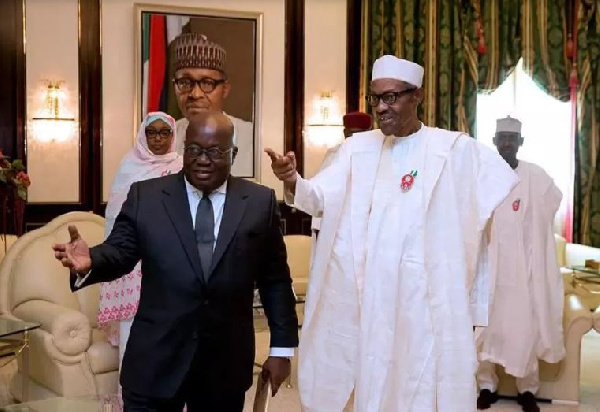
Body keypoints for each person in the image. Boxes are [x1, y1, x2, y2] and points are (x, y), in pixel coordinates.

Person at [265, 54, 519, 411]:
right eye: (375, 98)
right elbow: (319, 197)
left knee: (421, 376)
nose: (381, 108)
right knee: (374, 374)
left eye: (391, 97)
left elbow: (492, 192)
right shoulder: (356, 150)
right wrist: (292, 179)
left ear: (416, 96)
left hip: (424, 296)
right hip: (371, 295)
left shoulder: (452, 149)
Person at [52, 112, 299, 412]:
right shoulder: (147, 196)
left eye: (214, 152)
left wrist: (281, 349)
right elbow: (120, 252)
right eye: (194, 150)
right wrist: (91, 259)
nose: (202, 160)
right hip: (154, 361)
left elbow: (275, 279)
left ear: (232, 154)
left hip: (224, 366)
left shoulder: (259, 202)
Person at [476, 116, 564, 412]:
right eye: (502, 137)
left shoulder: (536, 176)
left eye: (512, 138)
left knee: (525, 328)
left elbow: (554, 201)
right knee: (486, 329)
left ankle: (528, 390)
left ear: (521, 143)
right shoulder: (483, 174)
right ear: (494, 140)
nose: (506, 143)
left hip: (524, 270)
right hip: (490, 268)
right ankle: (486, 385)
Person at [98, 112, 182, 370]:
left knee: (172, 331)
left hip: (171, 257)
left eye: (164, 132)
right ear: (143, 136)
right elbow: (116, 216)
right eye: (151, 133)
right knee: (133, 331)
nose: (157, 138)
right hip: (134, 261)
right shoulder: (129, 166)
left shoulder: (181, 166)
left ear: (172, 136)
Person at [172, 33, 254, 177]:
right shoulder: (166, 136)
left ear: (225, 89)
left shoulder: (252, 137)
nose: (195, 94)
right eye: (185, 82)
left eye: (207, 83)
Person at [311, 111, 373, 238]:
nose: (355, 139)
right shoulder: (334, 155)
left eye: (360, 134)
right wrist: (317, 225)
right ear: (345, 134)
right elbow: (322, 191)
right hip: (338, 227)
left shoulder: (379, 155)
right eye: (352, 134)